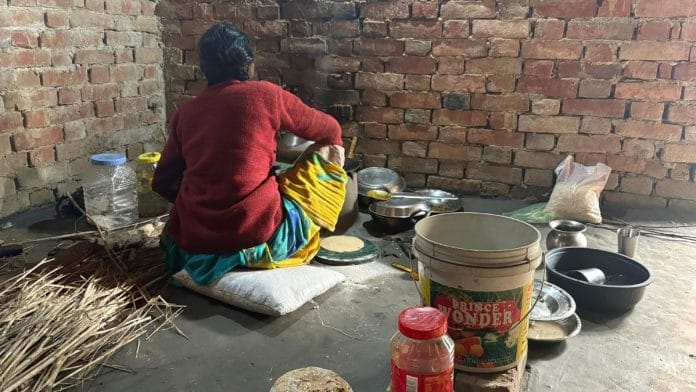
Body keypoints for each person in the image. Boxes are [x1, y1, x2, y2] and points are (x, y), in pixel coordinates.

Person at [152, 22, 347, 285]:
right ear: (250, 65)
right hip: (256, 235)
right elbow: (331, 130)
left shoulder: (185, 113)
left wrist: (203, 201)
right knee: (329, 148)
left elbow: (162, 182)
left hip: (194, 240)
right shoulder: (266, 95)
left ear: (204, 69)